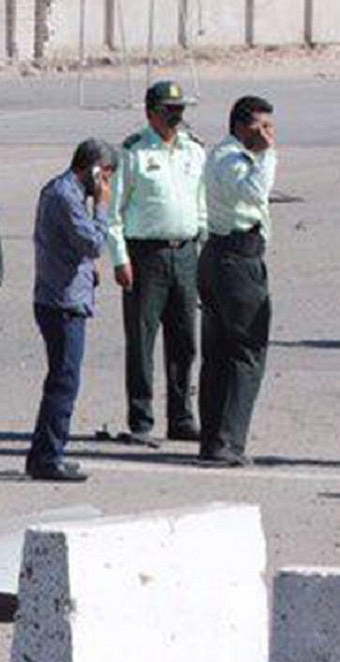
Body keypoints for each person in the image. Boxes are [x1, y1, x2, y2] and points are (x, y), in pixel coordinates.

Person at [108, 80, 209, 446]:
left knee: (184, 341)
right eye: (170, 110)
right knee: (141, 340)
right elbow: (113, 212)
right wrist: (120, 259)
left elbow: (201, 204)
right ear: (151, 112)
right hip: (144, 256)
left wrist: (204, 246)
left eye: (180, 110)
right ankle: (141, 419)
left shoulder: (194, 150)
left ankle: (182, 416)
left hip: (185, 253)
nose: (177, 117)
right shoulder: (133, 152)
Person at [27, 138, 115, 482]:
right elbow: (93, 242)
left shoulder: (67, 192)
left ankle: (48, 451)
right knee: (63, 381)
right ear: (93, 170)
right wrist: (103, 207)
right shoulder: (65, 195)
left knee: (64, 378)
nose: (106, 184)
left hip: (66, 293)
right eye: (105, 176)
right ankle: (48, 456)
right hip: (61, 300)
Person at [198, 95, 277, 467]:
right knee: (245, 353)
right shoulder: (231, 158)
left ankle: (215, 439)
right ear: (241, 126)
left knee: (220, 353)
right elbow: (254, 193)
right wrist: (268, 154)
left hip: (226, 256)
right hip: (234, 258)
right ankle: (226, 442)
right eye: (261, 127)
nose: (267, 134)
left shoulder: (229, 156)